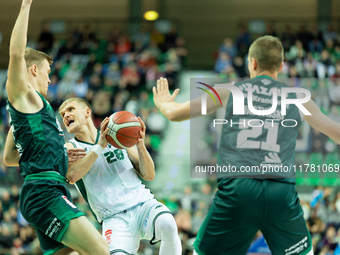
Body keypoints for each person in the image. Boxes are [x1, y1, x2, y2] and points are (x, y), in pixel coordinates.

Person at [153, 35, 340, 255]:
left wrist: (164, 103)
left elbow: (174, 114)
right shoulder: (298, 97)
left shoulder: (228, 90)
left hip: (237, 189)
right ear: (280, 65)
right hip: (279, 192)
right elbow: (336, 133)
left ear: (252, 63)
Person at [2, 1, 109, 254]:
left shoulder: (27, 111)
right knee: (102, 251)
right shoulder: (24, 94)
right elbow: (17, 54)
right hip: (44, 191)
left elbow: (9, 158)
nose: (50, 79)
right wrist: (26, 5)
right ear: (35, 69)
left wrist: (58, 154)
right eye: (48, 72)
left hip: (47, 189)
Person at [58, 98, 182, 255]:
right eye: (62, 114)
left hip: (142, 204)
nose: (65, 115)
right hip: (114, 218)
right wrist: (99, 146)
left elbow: (149, 175)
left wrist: (140, 145)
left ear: (87, 112)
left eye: (70, 109)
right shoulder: (71, 147)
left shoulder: (117, 136)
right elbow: (72, 176)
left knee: (168, 224)